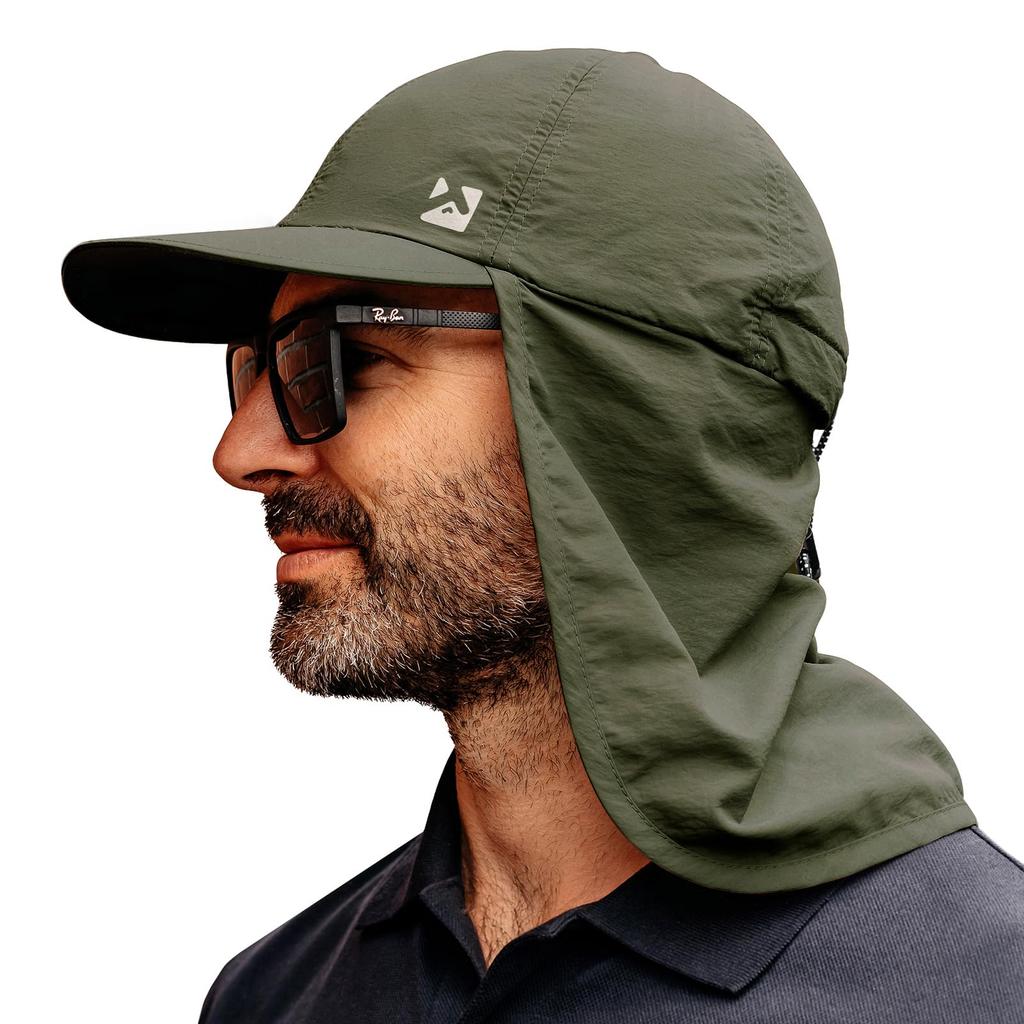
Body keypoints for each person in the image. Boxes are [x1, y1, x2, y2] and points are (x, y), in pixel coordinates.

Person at [61, 47, 1023, 1023]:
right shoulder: (277, 996)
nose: (240, 451)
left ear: (628, 411)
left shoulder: (979, 986)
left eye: (337, 359)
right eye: (255, 365)